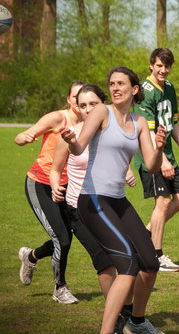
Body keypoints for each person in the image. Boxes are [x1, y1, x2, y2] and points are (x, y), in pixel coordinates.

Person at [61, 67, 166, 334]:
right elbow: (79, 147)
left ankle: (137, 322)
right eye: (112, 84)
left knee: (150, 263)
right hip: (93, 199)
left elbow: (152, 167)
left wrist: (160, 147)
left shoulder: (140, 122)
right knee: (128, 264)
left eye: (121, 83)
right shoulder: (101, 112)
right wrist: (71, 141)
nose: (115, 88)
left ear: (134, 89)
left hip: (118, 200)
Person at [50, 84, 133, 332]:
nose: (87, 110)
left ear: (103, 104)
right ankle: (116, 317)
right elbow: (55, 169)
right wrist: (55, 187)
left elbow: (122, 155)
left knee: (128, 260)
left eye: (93, 104)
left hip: (109, 206)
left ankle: (126, 314)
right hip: (79, 208)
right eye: (82, 105)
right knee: (105, 261)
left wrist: (128, 170)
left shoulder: (111, 132)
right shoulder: (70, 134)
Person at [15, 81, 85, 304]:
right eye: (75, 97)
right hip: (40, 182)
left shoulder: (88, 122)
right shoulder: (57, 118)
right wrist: (24, 138)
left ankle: (30, 256)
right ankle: (60, 288)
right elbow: (25, 134)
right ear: (68, 99)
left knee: (66, 237)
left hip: (67, 187)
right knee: (61, 239)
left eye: (83, 98)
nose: (79, 102)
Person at [133, 47, 179, 272]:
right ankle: (156, 255)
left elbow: (173, 123)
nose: (163, 70)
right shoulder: (145, 90)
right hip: (151, 156)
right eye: (159, 65)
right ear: (151, 65)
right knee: (163, 201)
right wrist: (161, 161)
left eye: (167, 66)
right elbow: (147, 131)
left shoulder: (169, 88)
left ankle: (144, 234)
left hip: (167, 154)